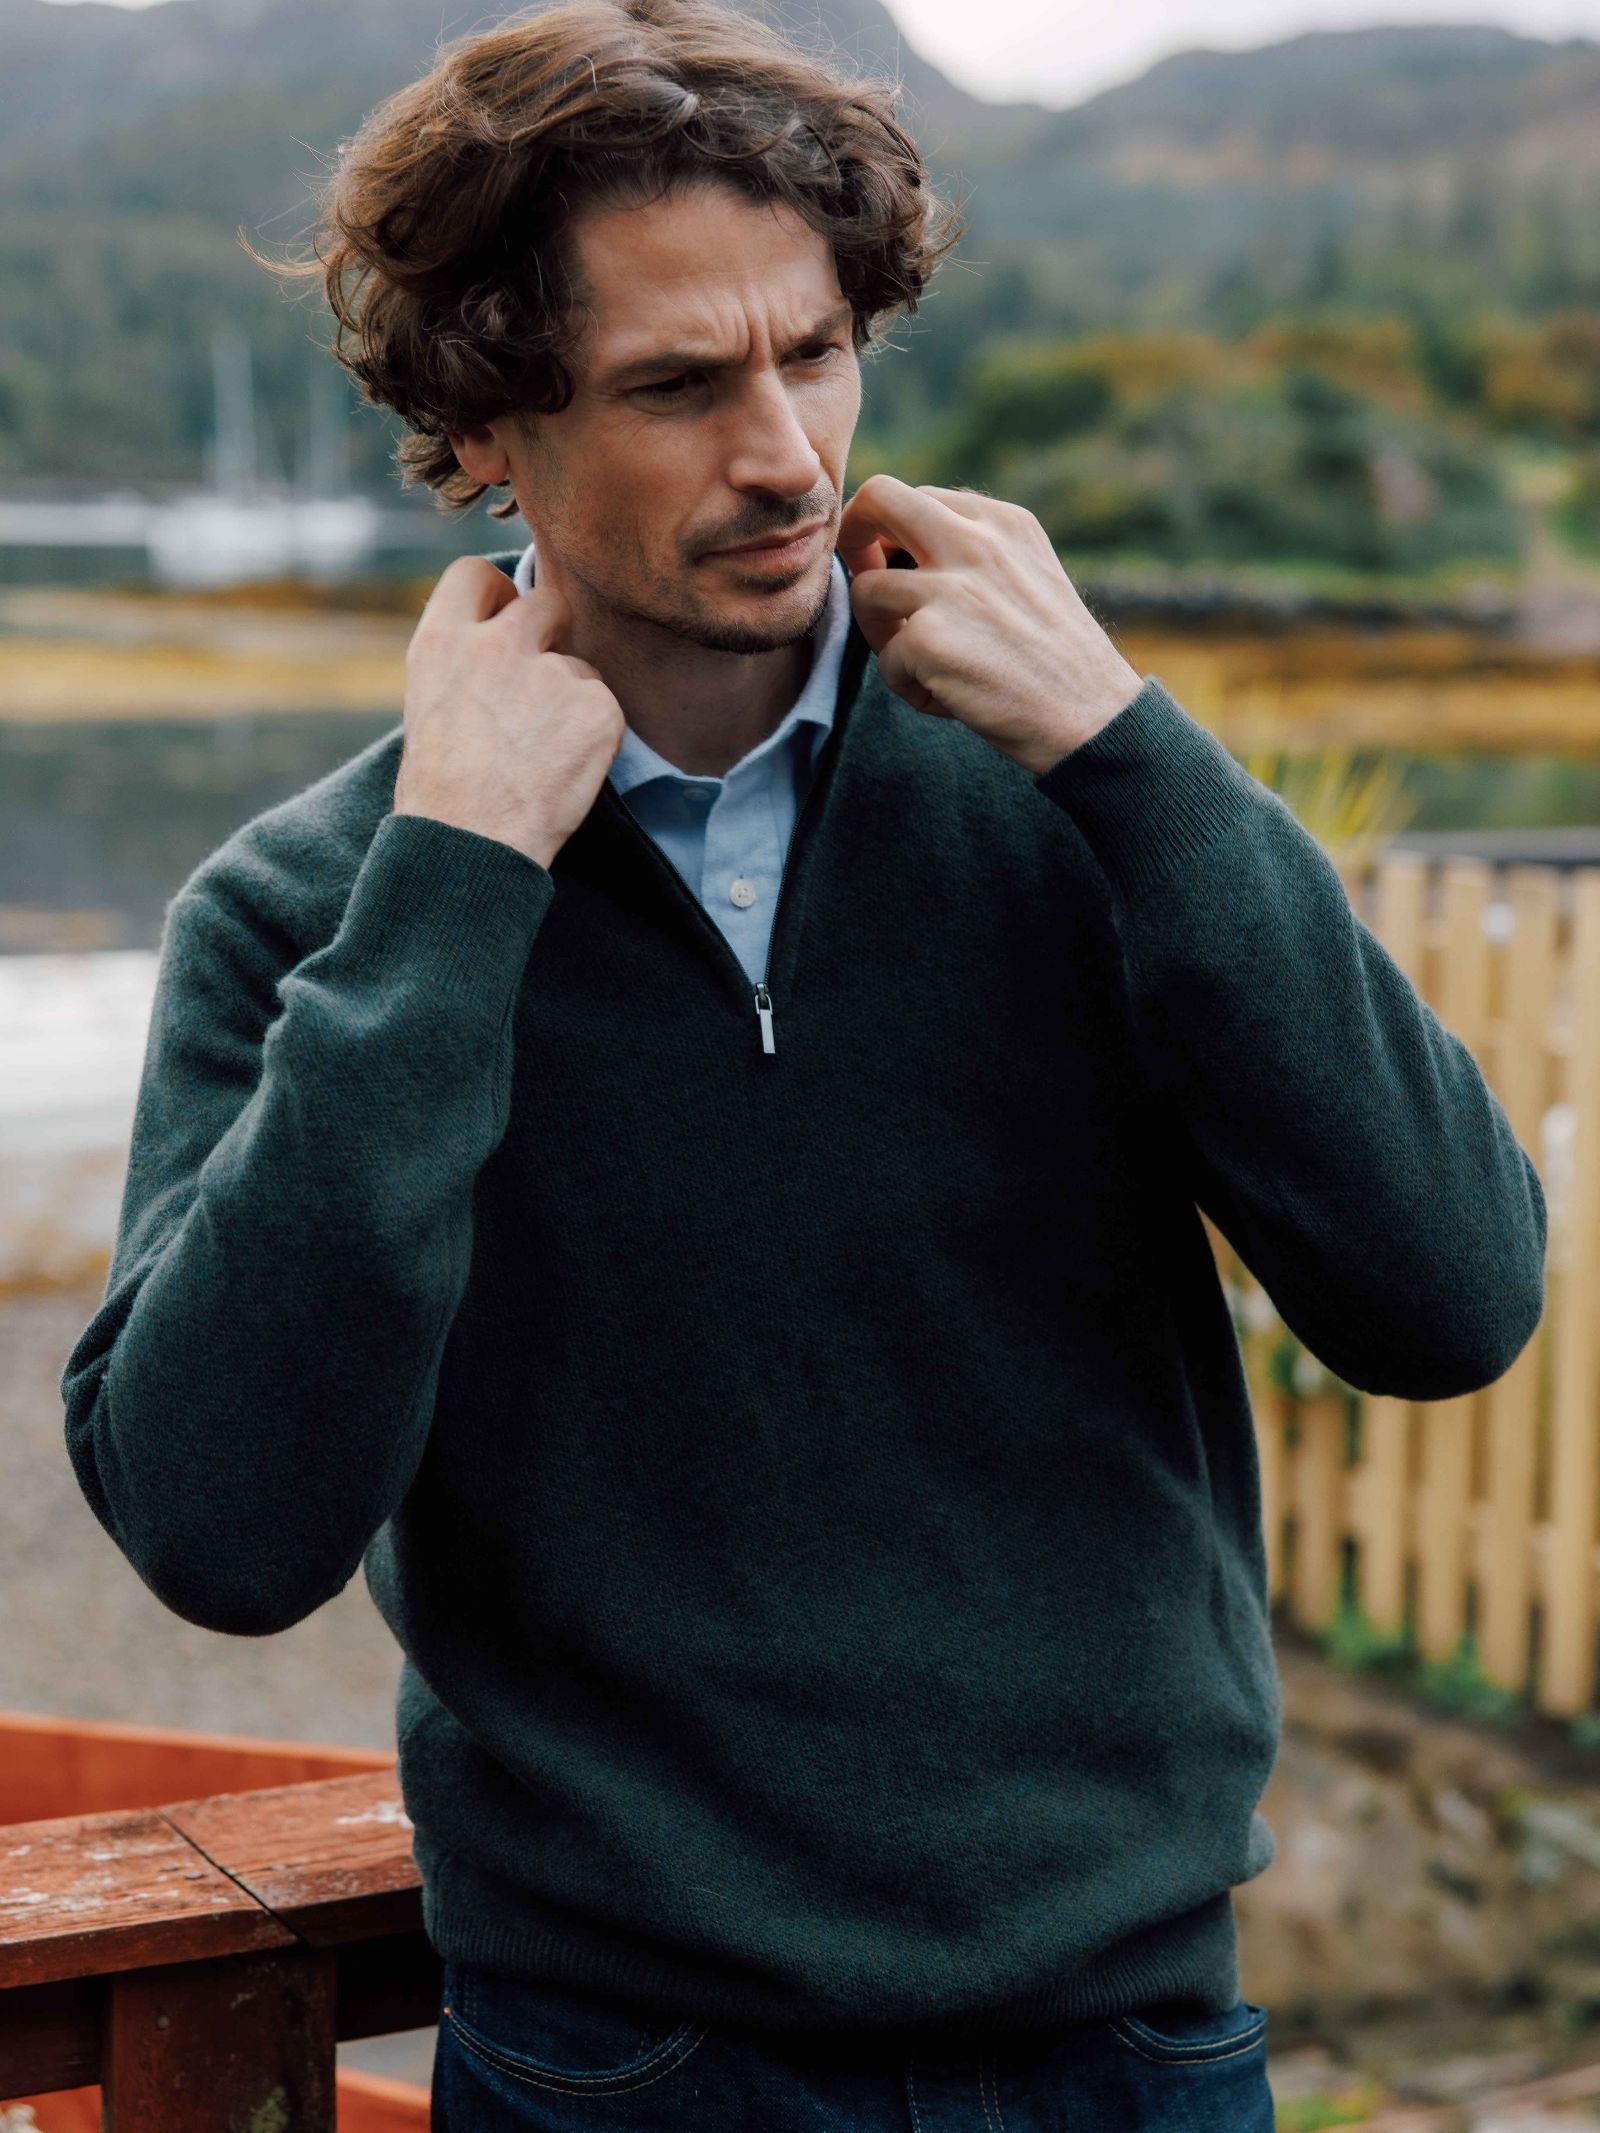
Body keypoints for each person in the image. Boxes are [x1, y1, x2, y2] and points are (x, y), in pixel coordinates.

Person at [60, 0, 1547, 2125]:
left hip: (1125, 2052)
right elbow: (219, 1524)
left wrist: (1134, 759)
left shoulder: (1076, 794)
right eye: (678, 384)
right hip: (617, 2069)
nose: (785, 453)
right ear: (487, 425)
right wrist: (457, 874)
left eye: (819, 351)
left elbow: (1448, 1299)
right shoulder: (318, 905)